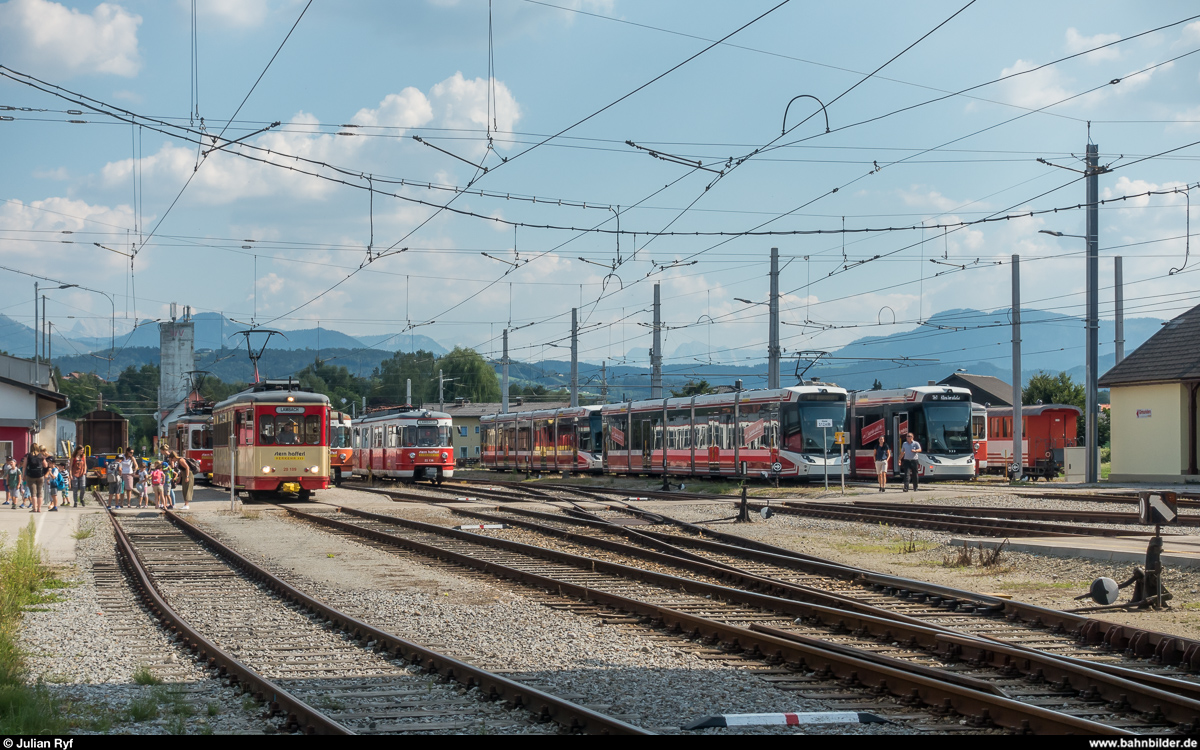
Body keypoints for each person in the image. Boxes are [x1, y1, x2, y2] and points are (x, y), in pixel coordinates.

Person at [23, 444, 47, 513]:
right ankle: (39, 508)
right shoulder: (41, 455)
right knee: (39, 493)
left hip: (31, 476)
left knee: (33, 493)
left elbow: (24, 466)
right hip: (40, 475)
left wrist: (23, 475)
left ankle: (34, 508)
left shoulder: (27, 456)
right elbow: (45, 465)